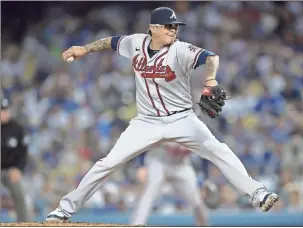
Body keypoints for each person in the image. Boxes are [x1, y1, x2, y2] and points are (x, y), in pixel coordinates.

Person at [46, 7, 278, 222]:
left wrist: (211, 79)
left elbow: (212, 57)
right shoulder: (135, 43)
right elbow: (111, 42)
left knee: (219, 149)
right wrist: (85, 49)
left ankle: (257, 192)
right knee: (107, 163)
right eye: (169, 26)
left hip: (181, 119)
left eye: (175, 26)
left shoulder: (180, 50)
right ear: (153, 28)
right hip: (146, 122)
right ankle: (65, 209)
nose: (173, 30)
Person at [129, 143, 208, 226]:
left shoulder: (197, 132)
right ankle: (136, 224)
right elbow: (146, 138)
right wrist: (140, 164)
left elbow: (207, 151)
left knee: (197, 200)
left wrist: (206, 178)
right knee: (149, 194)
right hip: (158, 159)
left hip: (181, 164)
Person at [1, 97, 30, 222]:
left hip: (10, 171)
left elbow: (23, 153)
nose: (3, 113)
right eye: (1, 110)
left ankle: (24, 223)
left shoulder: (17, 129)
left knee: (19, 194)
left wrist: (18, 169)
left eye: (5, 110)